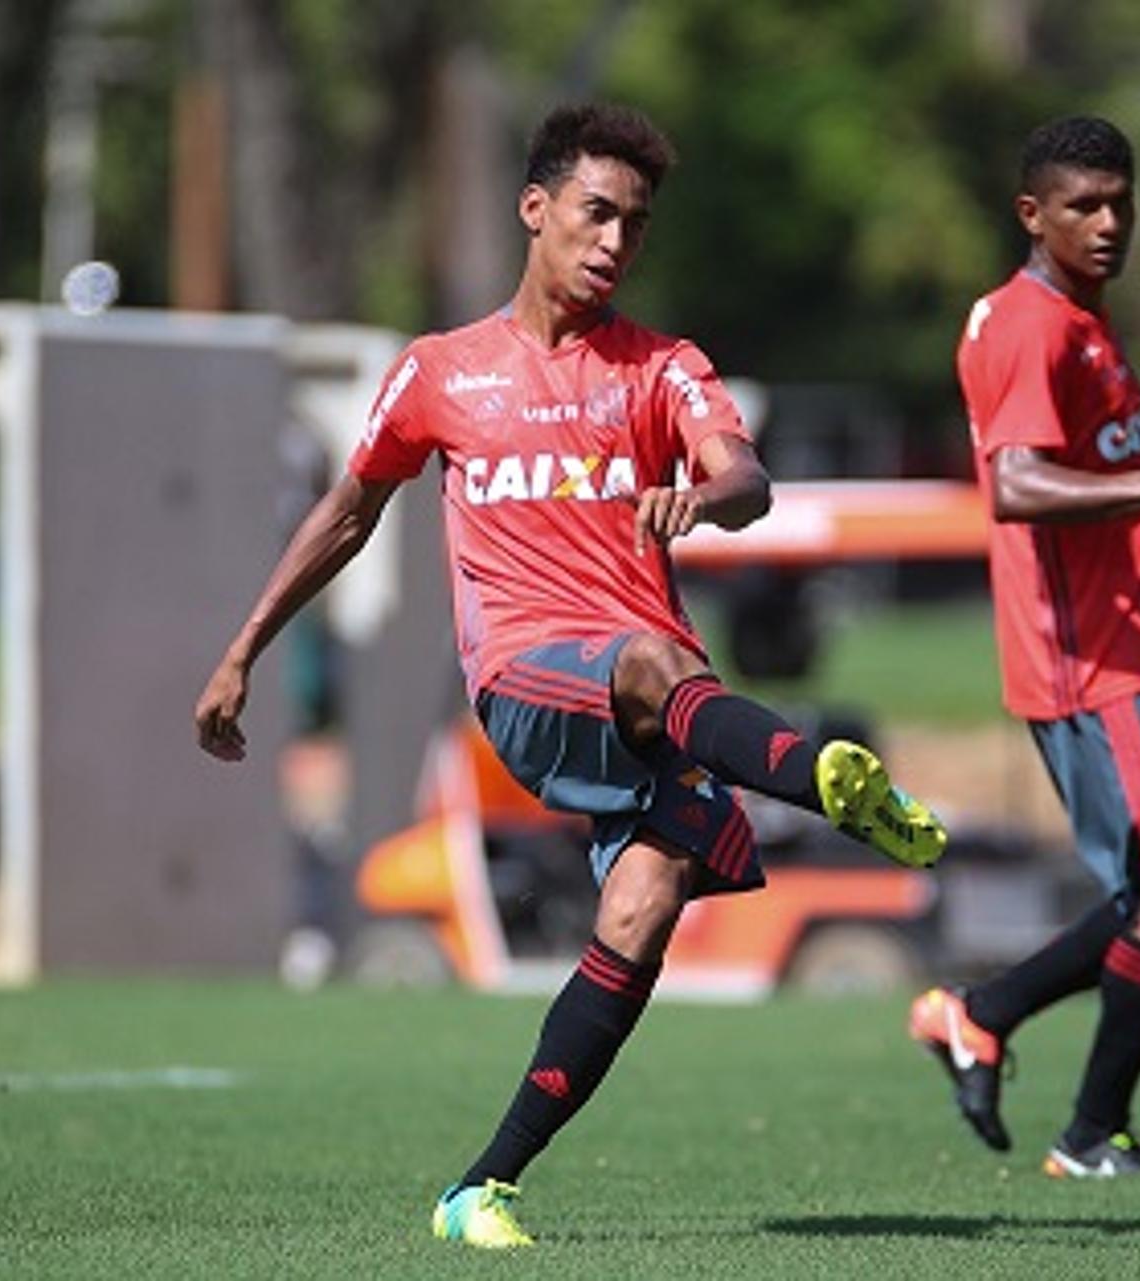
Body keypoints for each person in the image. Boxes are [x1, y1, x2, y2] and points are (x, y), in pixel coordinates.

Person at [194, 103, 947, 1247]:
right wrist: (244, 649)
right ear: (534, 209)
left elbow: (747, 477)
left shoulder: (662, 369)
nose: (614, 243)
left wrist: (705, 494)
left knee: (640, 913)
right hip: (529, 681)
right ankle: (819, 780)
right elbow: (348, 513)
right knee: (651, 661)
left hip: (662, 706)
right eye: (597, 213)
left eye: (634, 226)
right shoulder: (441, 372)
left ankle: (479, 1188)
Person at [909, 116, 1140, 1178]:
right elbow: (1017, 488)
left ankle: (982, 1014)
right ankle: (1088, 1134)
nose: (1109, 222)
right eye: (1084, 205)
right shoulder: (1024, 326)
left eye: (1121, 201)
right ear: (1033, 215)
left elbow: (1084, 487)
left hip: (1135, 650)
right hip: (1085, 666)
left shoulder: (1087, 324)